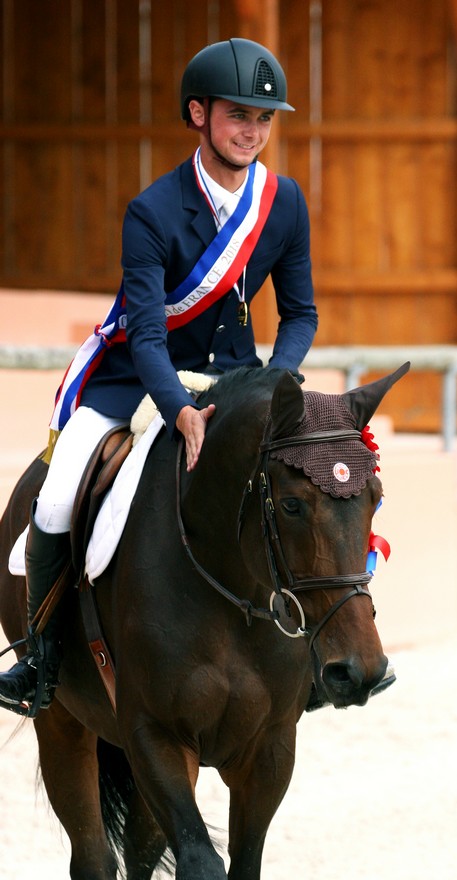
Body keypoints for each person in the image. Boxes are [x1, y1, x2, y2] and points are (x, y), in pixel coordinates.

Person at [0, 38, 318, 714]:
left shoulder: (283, 202)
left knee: (322, 480)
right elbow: (145, 334)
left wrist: (274, 386)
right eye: (238, 115)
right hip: (139, 380)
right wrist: (178, 410)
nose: (253, 132)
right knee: (55, 498)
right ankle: (42, 660)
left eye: (265, 119)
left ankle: (316, 648)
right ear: (197, 113)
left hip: (238, 381)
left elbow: (301, 314)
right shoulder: (153, 210)